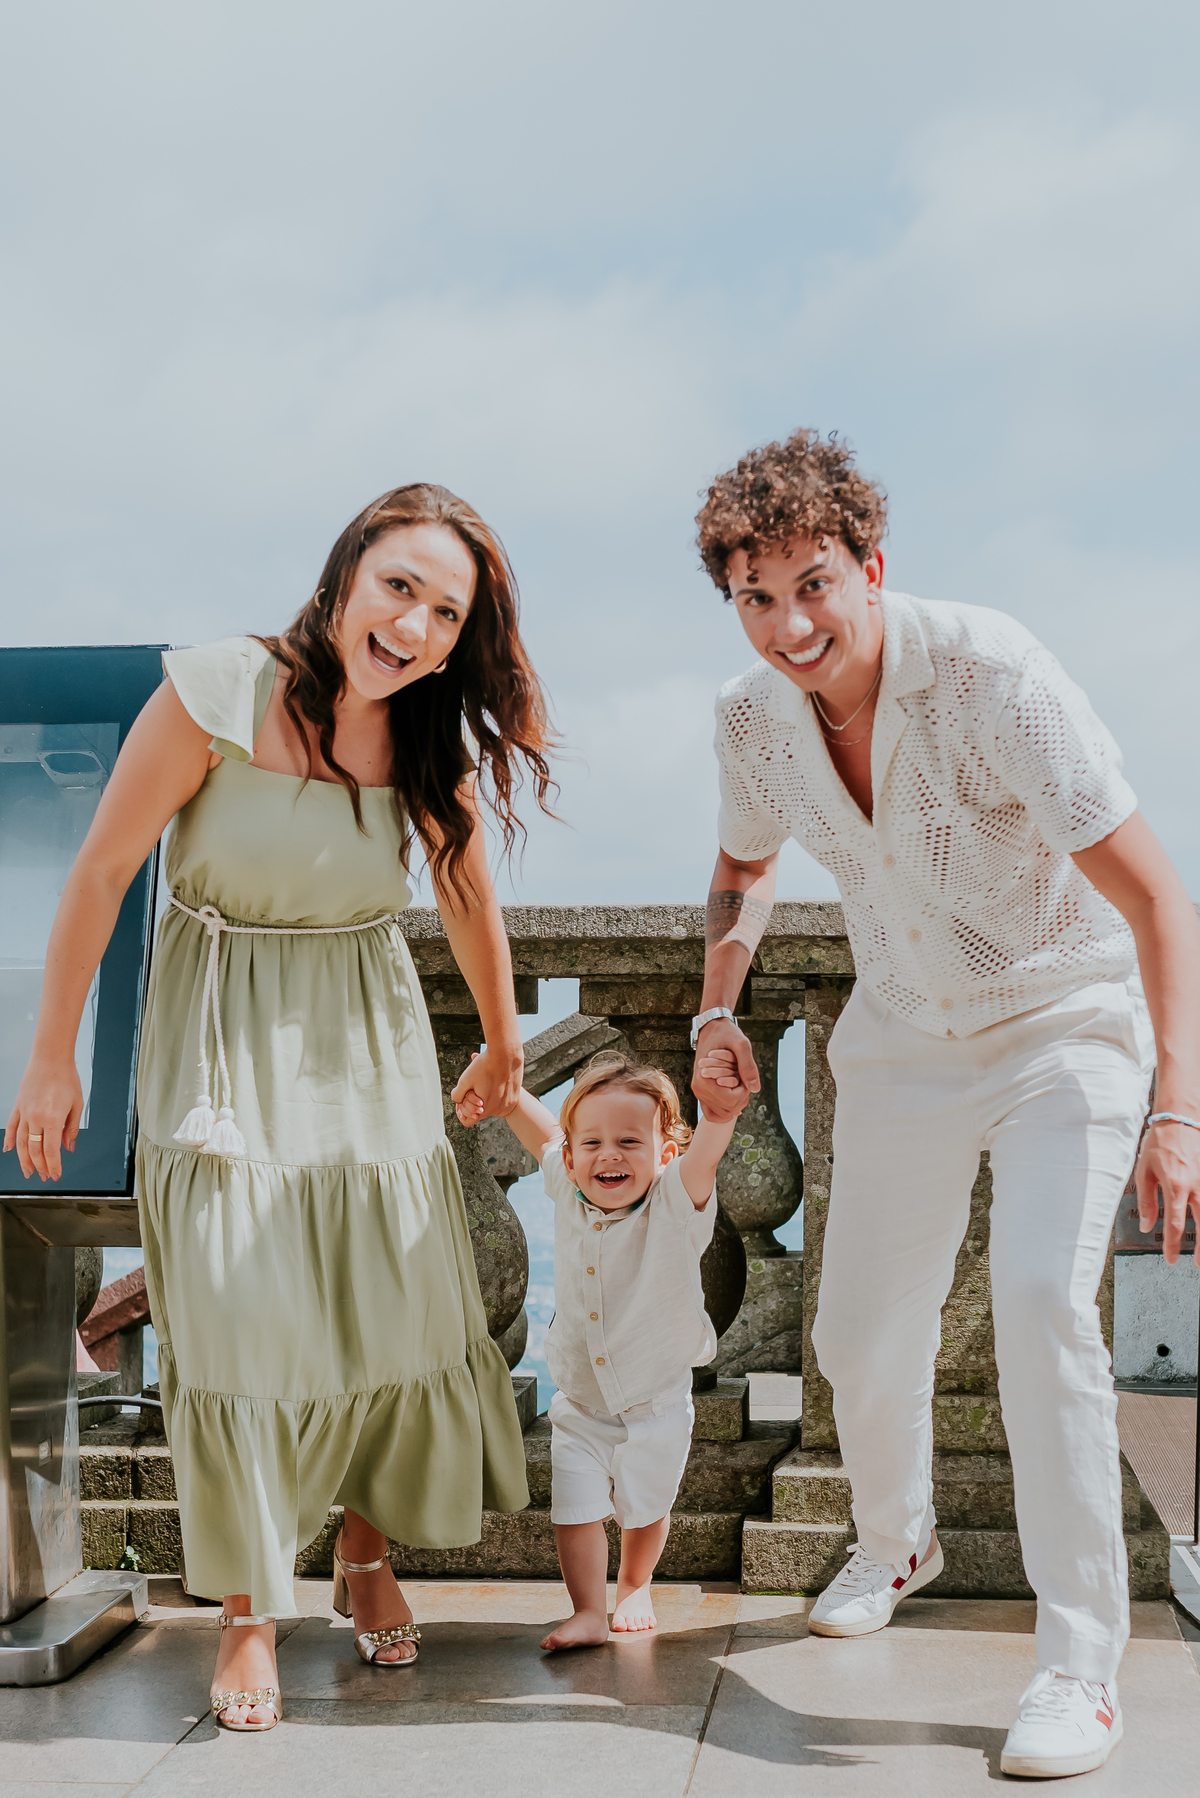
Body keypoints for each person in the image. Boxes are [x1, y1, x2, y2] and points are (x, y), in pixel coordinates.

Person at [687, 429, 1200, 1780]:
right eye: (755, 596)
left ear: (870, 564)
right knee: (855, 1332)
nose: (789, 623)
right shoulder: (749, 717)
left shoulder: (993, 673)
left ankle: (1080, 1666)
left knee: (1039, 1303)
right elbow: (744, 865)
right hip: (904, 1040)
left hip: (1066, 1024)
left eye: (813, 583)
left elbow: (1160, 902)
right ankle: (896, 1532)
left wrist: (1179, 1110)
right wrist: (717, 1008)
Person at [4, 484, 551, 1731]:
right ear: (347, 572)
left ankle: (363, 1555)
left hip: (364, 1032)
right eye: (400, 586)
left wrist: (509, 1046)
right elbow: (101, 869)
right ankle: (251, 1606)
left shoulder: (421, 737)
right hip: (219, 1033)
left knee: (382, 1306)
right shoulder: (218, 690)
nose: (413, 626)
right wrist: (53, 1054)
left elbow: (468, 894)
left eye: (445, 612)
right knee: (241, 1311)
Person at [458, 1050, 748, 1649]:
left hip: (656, 1403)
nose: (607, 1154)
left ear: (665, 1154)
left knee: (646, 1510)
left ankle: (635, 1583)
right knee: (575, 1513)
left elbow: (706, 1153)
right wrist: (506, 1092)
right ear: (571, 1157)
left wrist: (719, 1115)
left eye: (628, 1141)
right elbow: (539, 1129)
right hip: (583, 1406)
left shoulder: (675, 1202)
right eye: (590, 1143)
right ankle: (588, 1609)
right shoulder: (566, 1185)